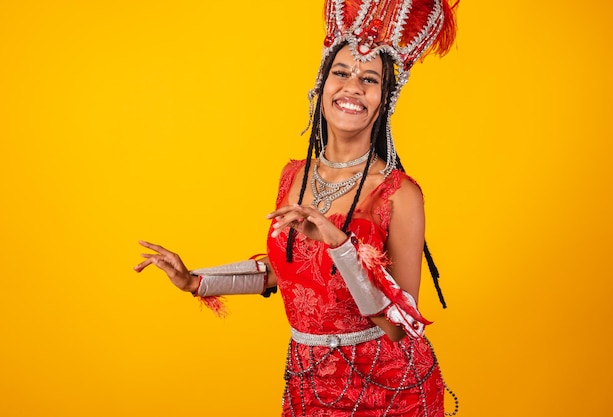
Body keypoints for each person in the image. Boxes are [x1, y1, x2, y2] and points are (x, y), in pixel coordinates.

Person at [134, 1, 458, 415]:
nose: (352, 86)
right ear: (322, 84)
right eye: (340, 72)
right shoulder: (294, 176)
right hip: (309, 383)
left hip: (388, 390)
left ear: (385, 99)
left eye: (369, 79)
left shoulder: (399, 194)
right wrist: (197, 280)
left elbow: (400, 325)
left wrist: (339, 242)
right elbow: (288, 273)